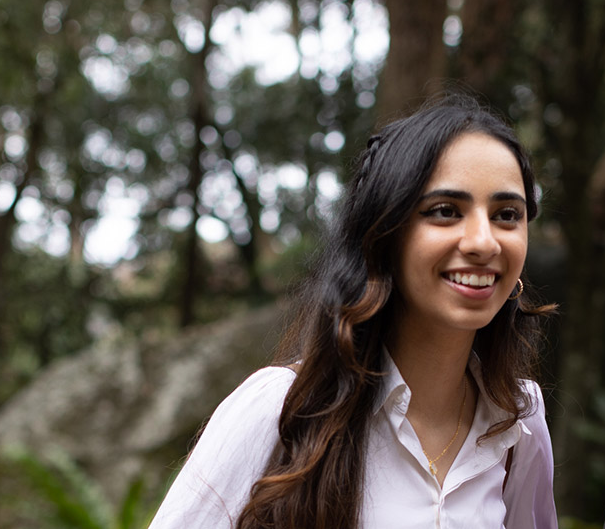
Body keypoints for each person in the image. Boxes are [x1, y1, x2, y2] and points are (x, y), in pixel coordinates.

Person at [150, 96, 558, 529]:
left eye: (507, 215)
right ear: (385, 233)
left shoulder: (519, 421)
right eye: (445, 211)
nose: (483, 242)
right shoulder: (282, 410)